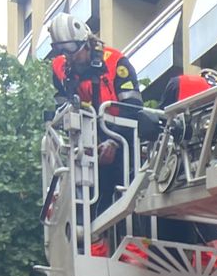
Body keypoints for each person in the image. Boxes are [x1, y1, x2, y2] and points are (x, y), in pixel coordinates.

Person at [47, 14, 144, 233]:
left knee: (127, 202)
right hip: (87, 148)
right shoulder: (60, 68)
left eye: (73, 52)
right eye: (63, 53)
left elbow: (134, 108)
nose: (69, 59)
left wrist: (114, 141)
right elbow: (62, 103)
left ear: (87, 43)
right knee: (87, 212)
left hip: (123, 143)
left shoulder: (116, 62)